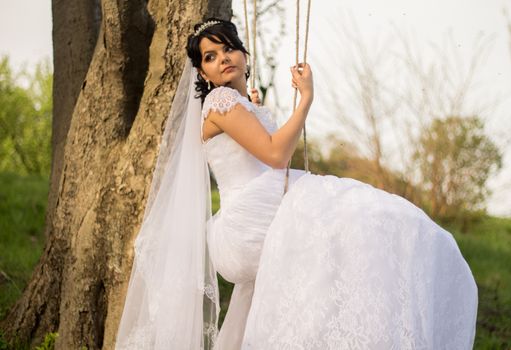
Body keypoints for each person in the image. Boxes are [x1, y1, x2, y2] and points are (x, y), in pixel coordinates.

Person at [115, 18, 478, 350]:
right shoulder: (221, 101)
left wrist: (256, 107)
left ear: (244, 52)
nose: (223, 58)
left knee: (341, 243)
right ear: (203, 72)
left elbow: (264, 152)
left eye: (228, 48)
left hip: (257, 211)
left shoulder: (241, 103)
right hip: (248, 215)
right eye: (210, 56)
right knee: (366, 218)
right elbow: (276, 156)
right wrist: (305, 99)